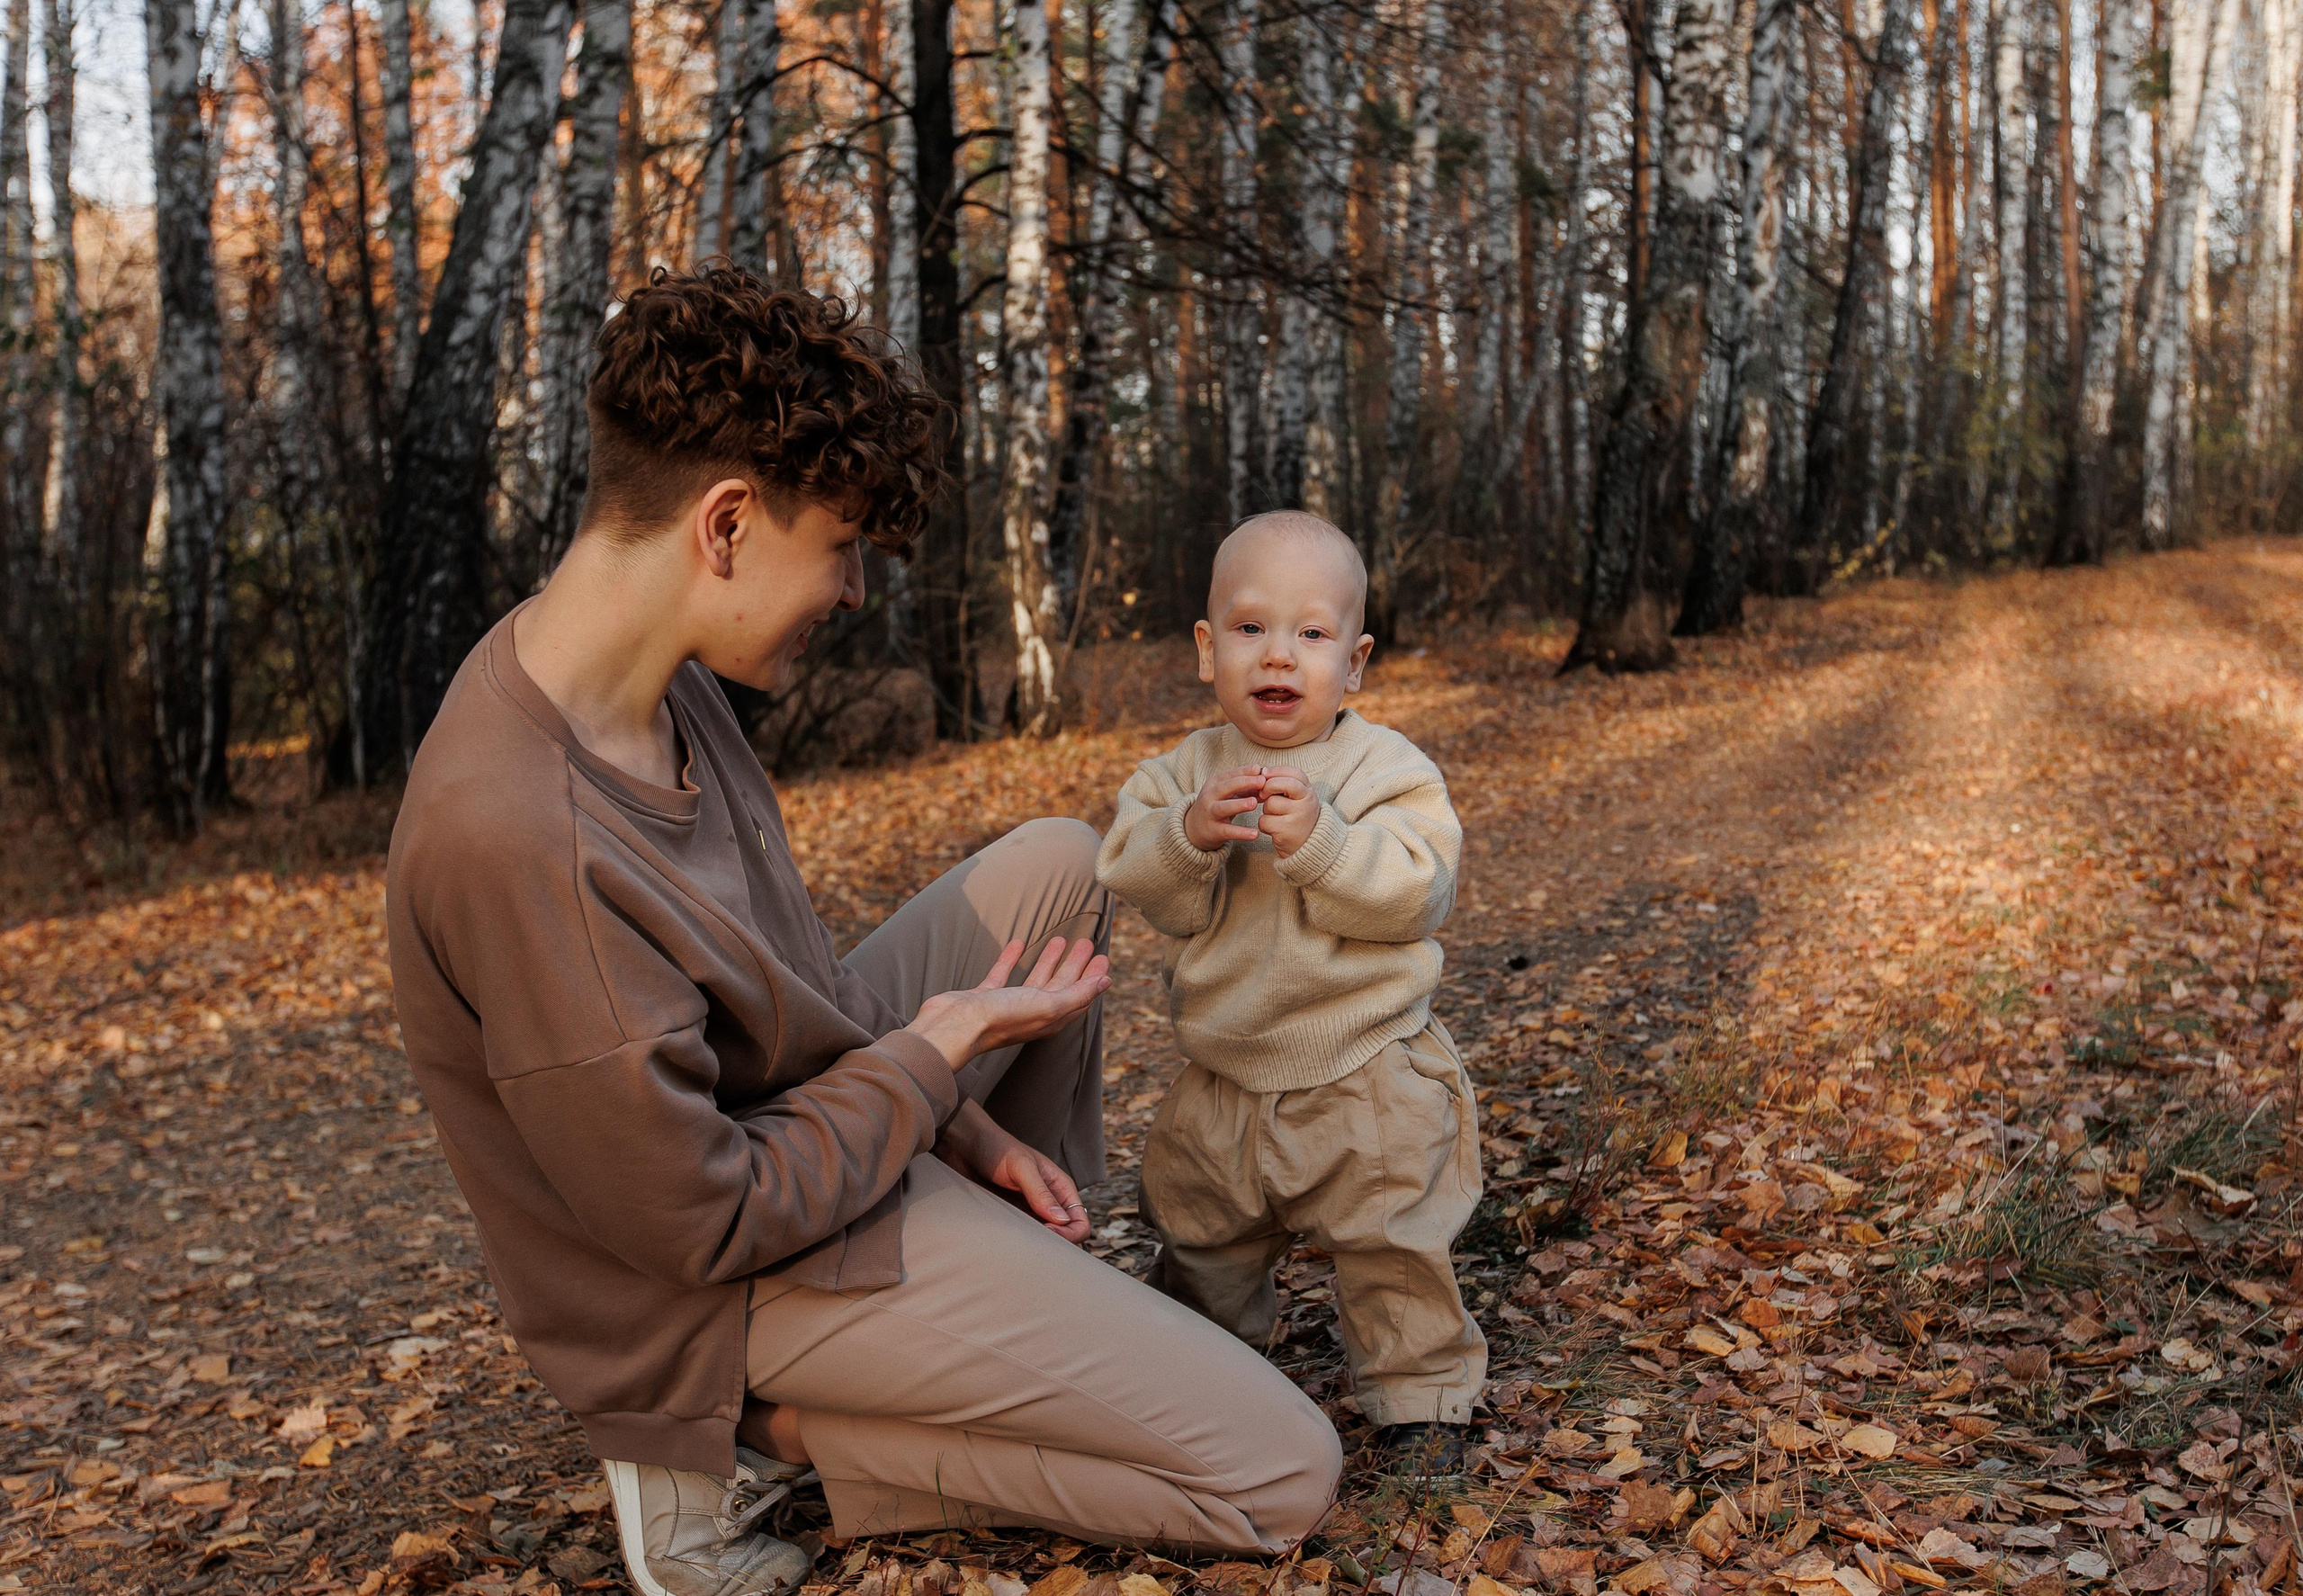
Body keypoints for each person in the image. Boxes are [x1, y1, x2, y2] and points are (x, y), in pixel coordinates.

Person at [385, 269, 1341, 1596]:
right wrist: (933, 1062)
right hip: (711, 1289)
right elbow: (700, 1223)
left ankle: (1034, 1282)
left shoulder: (654, 683)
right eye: (835, 547)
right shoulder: (518, 835)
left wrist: (965, 1121)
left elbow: (799, 1007)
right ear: (725, 525)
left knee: (1061, 869)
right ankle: (754, 1446)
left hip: (813, 1142)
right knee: (1280, 1471)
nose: (847, 590)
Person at [1094, 511, 1486, 1477]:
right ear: (1206, 648)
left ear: (1352, 665)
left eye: (1311, 635)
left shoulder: (1385, 768)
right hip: (1222, 1078)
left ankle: (1421, 1402)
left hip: (1366, 1071)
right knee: (1198, 1240)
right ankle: (1206, 1381)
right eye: (1250, 627)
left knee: (1393, 1243)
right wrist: (1185, 833)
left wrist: (1324, 841)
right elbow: (1138, 881)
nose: (1279, 654)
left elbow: (1418, 892)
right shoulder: (1182, 773)